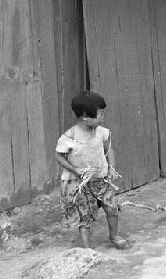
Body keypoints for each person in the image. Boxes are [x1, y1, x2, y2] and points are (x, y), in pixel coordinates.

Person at [55, 91, 128, 249]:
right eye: (100, 114)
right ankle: (87, 248)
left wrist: (111, 168)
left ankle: (114, 236)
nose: (103, 118)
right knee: (85, 216)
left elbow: (110, 151)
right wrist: (74, 170)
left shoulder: (102, 132)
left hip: (102, 180)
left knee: (112, 209)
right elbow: (59, 156)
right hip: (82, 185)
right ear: (85, 116)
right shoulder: (70, 136)